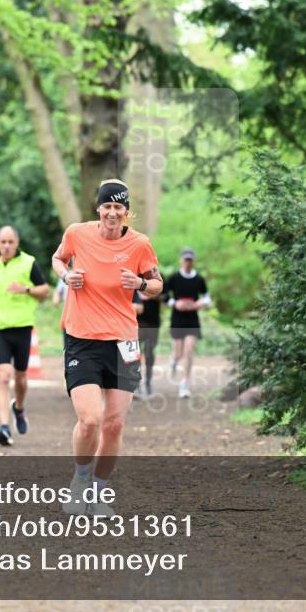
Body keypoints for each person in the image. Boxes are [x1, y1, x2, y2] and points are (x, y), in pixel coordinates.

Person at [51, 179, 162, 516]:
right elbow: (58, 259)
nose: (112, 213)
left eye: (119, 207)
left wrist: (141, 283)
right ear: (98, 208)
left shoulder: (140, 245)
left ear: (127, 212)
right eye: (107, 206)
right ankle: (80, 481)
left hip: (124, 341)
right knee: (90, 419)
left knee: (114, 424)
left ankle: (99, 493)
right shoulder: (77, 234)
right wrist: (65, 276)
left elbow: (157, 284)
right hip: (82, 338)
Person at [0, 226, 51, 446]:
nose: (7, 246)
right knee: (2, 375)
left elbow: (45, 290)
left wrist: (26, 290)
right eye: (3, 242)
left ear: (17, 243)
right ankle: (4, 426)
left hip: (22, 326)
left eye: (11, 242)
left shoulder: (29, 263)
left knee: (20, 377)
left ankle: (18, 407)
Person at [165, 247, 212, 398]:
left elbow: (207, 297)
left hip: (192, 319)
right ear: (181, 260)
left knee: (189, 351)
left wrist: (200, 303)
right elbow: (164, 295)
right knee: (179, 353)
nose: (188, 262)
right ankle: (173, 361)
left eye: (190, 260)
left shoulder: (199, 279)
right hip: (177, 318)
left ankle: (184, 384)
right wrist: (174, 304)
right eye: (186, 260)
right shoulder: (174, 278)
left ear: (193, 261)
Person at [132, 289, 162, 399]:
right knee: (136, 354)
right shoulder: (133, 277)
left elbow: (165, 296)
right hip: (137, 323)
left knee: (149, 354)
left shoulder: (156, 277)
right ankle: (137, 383)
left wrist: (154, 294)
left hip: (153, 324)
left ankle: (148, 383)